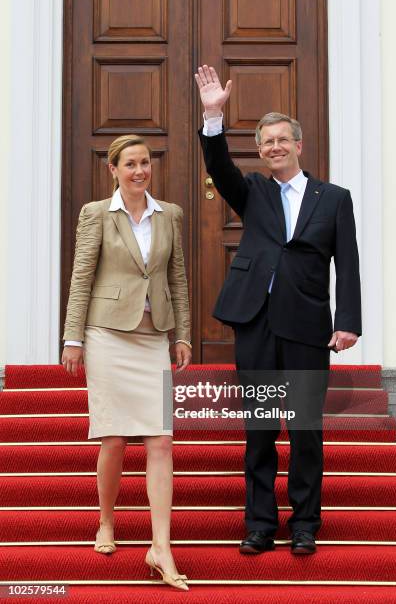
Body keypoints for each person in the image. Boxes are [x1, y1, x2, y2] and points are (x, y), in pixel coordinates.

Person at [195, 66, 361, 555]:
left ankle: (306, 522)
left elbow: (347, 264)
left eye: (281, 140)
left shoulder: (334, 199)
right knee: (261, 429)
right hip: (258, 324)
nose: (273, 148)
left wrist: (347, 321)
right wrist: (212, 117)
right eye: (265, 142)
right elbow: (219, 166)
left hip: (308, 326)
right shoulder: (253, 191)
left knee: (306, 429)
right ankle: (260, 524)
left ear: (298, 145)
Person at [61, 134, 191, 590]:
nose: (140, 171)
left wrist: (184, 335)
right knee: (113, 437)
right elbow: (81, 277)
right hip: (106, 334)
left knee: (161, 440)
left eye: (145, 163)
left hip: (153, 336)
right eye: (130, 164)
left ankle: (160, 547)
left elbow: (177, 277)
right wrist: (73, 338)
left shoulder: (169, 214)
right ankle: (107, 520)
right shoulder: (97, 214)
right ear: (113, 170)